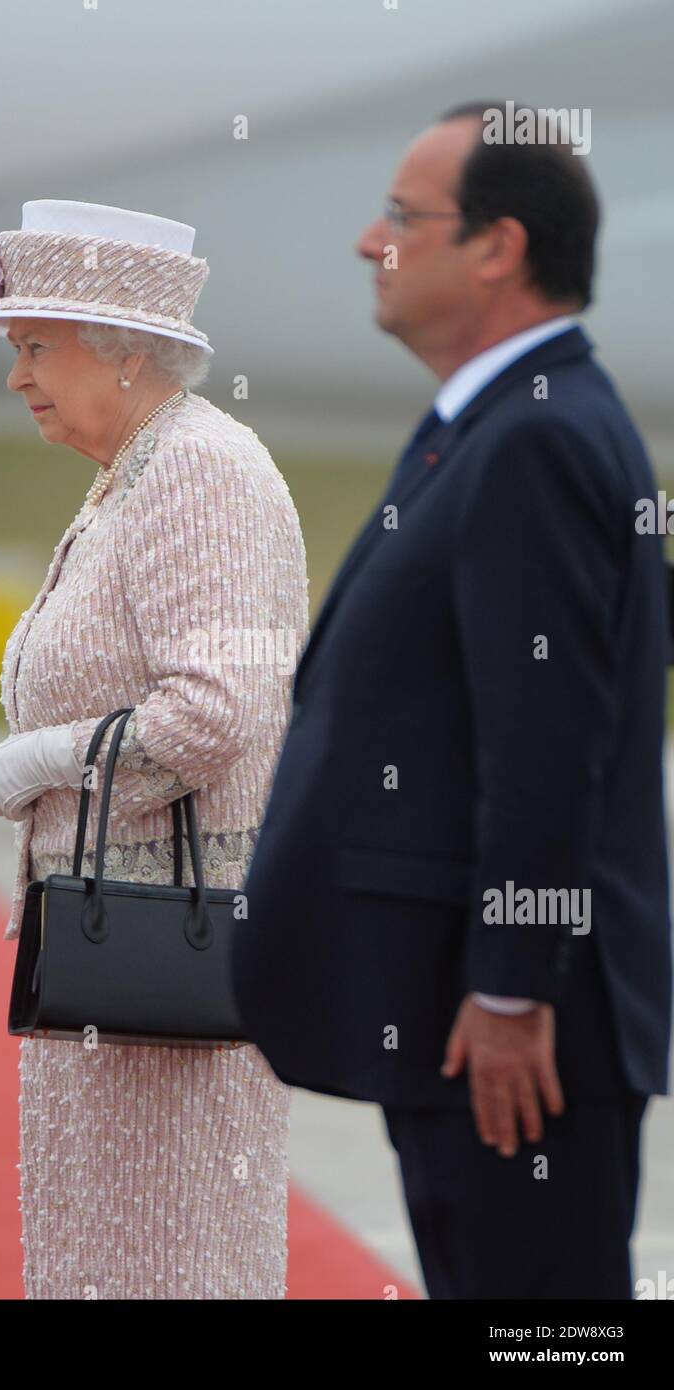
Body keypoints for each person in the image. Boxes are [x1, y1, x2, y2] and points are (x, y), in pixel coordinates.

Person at [232, 102, 672, 1299]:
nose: (369, 242)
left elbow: (549, 743)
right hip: (464, 1020)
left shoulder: (531, 435)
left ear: (497, 247)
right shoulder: (496, 421)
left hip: (516, 1039)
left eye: (403, 216)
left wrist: (513, 986)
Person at [0, 199, 308, 1298]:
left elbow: (218, 713)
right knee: (107, 1257)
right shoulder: (135, 470)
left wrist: (48, 757)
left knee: (173, 1258)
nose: (16, 375)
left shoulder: (202, 470)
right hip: (109, 969)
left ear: (121, 349)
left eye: (34, 347)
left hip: (173, 970)